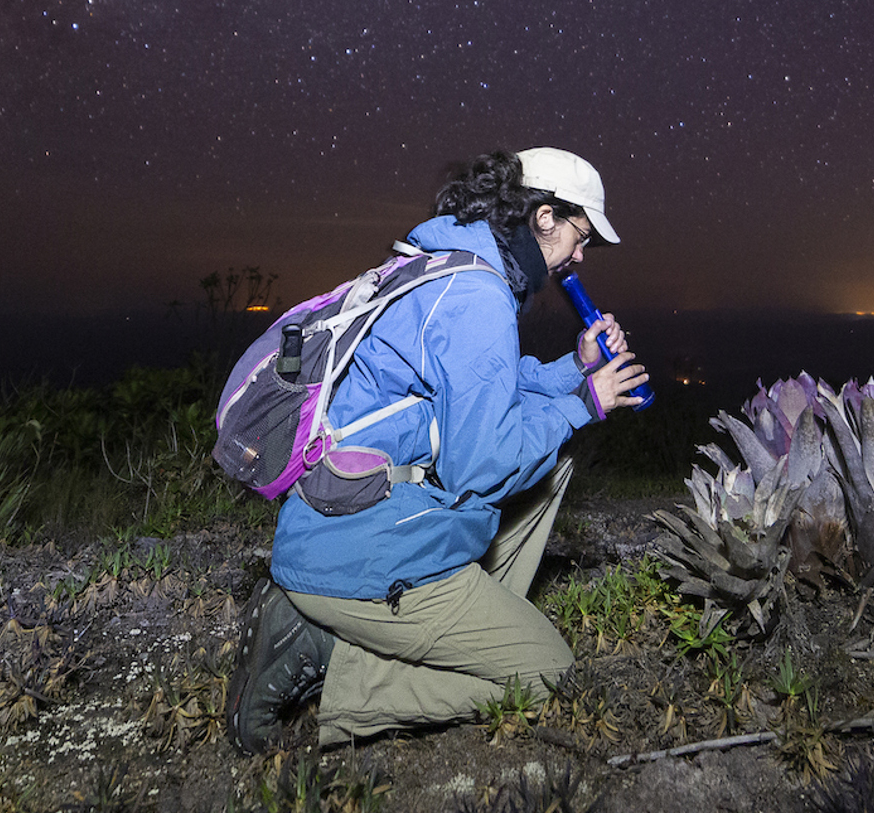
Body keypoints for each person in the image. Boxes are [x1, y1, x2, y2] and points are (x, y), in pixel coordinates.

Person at [226, 145, 647, 752]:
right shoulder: (479, 296)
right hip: (360, 545)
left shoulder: (449, 258)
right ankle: (326, 660)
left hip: (337, 513)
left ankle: (458, 609)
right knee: (551, 676)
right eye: (582, 236)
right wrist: (584, 404)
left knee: (552, 459)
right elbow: (484, 466)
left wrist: (572, 371)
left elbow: (482, 385)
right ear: (545, 217)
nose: (581, 256)